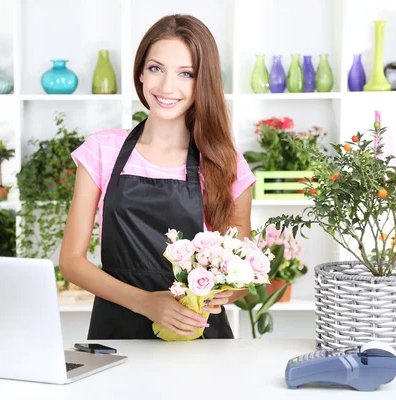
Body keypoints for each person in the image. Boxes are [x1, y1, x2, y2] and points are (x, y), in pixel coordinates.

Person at [59, 14, 256, 340]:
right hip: (116, 334)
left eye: (185, 74)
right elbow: (71, 262)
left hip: (198, 336)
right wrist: (146, 303)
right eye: (156, 68)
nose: (167, 86)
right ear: (139, 72)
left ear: (202, 81)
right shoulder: (102, 151)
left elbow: (242, 271)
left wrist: (226, 292)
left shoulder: (226, 164)